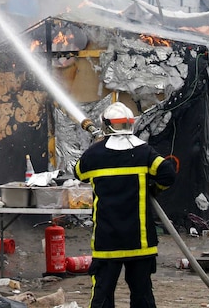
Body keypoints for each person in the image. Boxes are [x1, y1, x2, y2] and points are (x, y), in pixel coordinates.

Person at [76, 102, 177, 308]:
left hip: (107, 242)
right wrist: (153, 189)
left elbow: (78, 172)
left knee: (102, 296)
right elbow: (168, 173)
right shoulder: (144, 153)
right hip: (139, 242)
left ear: (106, 126)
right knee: (142, 296)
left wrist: (97, 145)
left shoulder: (94, 155)